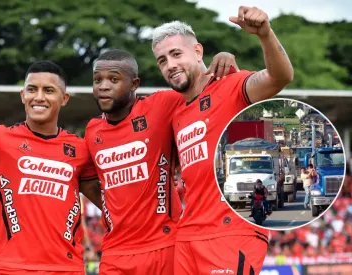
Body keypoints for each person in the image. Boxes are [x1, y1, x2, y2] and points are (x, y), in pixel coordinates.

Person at [151, 5, 294, 275]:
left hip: (232, 231)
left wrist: (265, 34)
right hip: (187, 236)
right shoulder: (176, 114)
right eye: (162, 60)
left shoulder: (231, 85)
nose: (170, 65)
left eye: (176, 54)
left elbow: (280, 77)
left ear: (198, 52)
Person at [0, 61, 101, 275]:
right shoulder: (0, 139)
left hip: (67, 268)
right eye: (32, 89)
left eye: (49, 90)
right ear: (23, 95)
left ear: (64, 99)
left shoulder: (80, 149)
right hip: (13, 268)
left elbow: (108, 203)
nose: (39, 97)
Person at [84, 49, 240, 274]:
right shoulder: (91, 131)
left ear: (134, 84)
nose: (103, 86)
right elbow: (87, 181)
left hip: (165, 245)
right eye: (97, 80)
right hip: (116, 252)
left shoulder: (162, 104)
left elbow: (199, 89)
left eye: (114, 79)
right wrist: (116, 211)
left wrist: (222, 59)